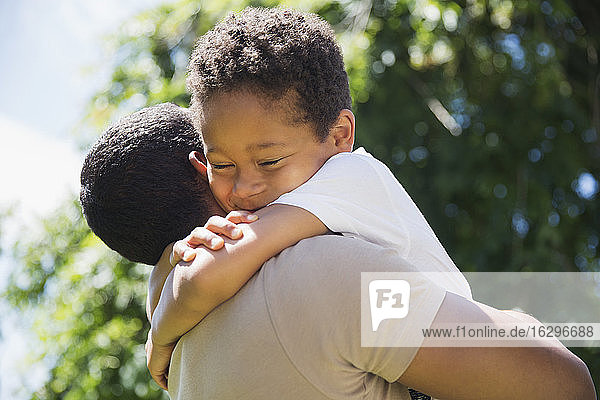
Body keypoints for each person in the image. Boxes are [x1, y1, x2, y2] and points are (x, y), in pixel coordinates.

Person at [79, 102, 595, 399]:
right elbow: (563, 384)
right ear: (205, 165)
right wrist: (514, 320)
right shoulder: (318, 272)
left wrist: (161, 333)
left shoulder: (185, 371)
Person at [147, 6, 473, 380]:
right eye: (221, 165)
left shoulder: (352, 175)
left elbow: (203, 278)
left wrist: (159, 342)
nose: (243, 188)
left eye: (269, 162)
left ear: (339, 137)